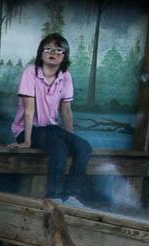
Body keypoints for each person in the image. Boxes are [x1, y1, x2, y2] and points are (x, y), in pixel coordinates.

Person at [9, 33, 92, 207]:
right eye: (48, 49)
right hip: (28, 129)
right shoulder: (31, 72)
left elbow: (66, 111)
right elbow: (29, 110)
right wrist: (27, 141)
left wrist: (71, 138)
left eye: (58, 50)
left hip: (51, 128)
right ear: (41, 53)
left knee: (84, 147)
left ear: (64, 56)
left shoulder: (65, 76)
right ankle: (54, 197)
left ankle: (72, 196)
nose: (53, 53)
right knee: (59, 148)